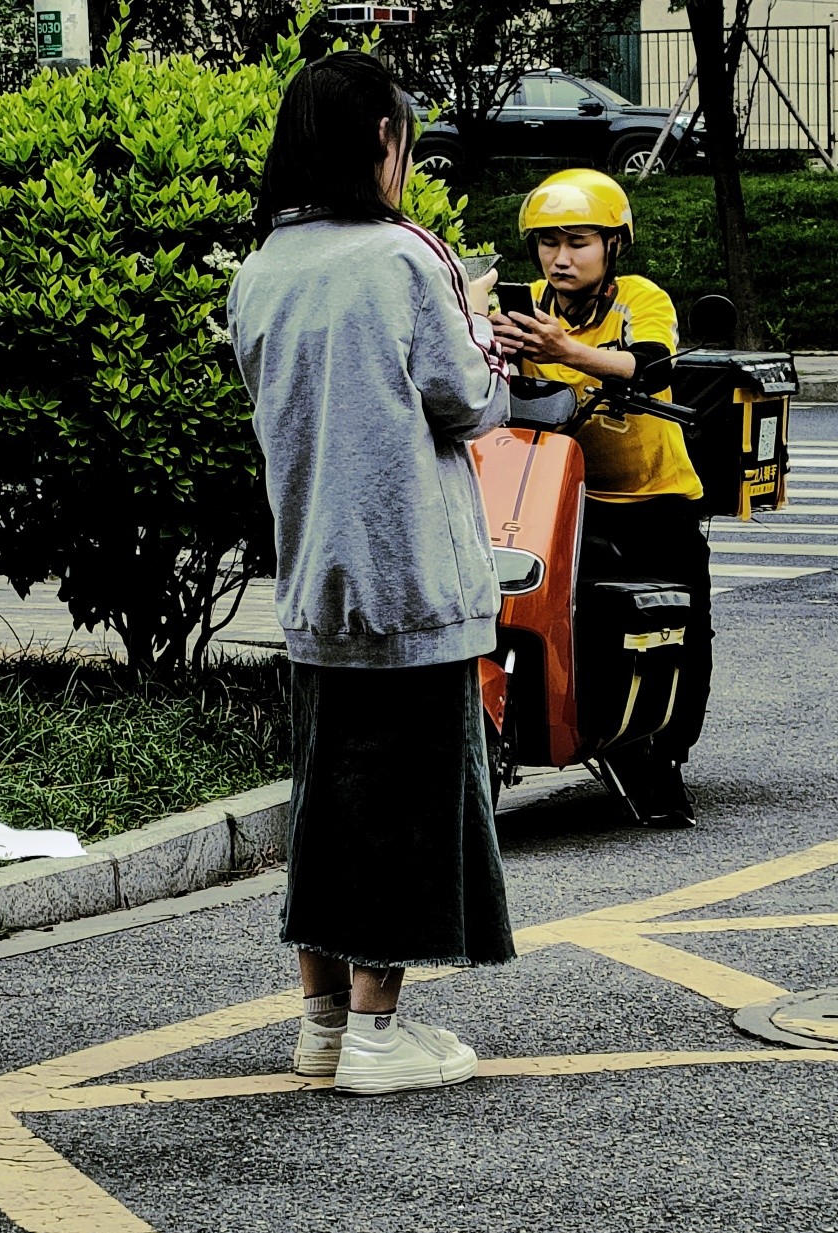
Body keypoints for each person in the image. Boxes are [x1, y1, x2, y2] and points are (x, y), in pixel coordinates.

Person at [227, 53, 515, 1096]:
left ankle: (320, 1026)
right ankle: (380, 1039)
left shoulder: (259, 269)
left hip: (314, 580)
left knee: (328, 803)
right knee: (400, 807)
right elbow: (471, 398)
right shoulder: (403, 258)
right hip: (410, 579)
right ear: (380, 143)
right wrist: (478, 318)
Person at [489, 167, 711, 829]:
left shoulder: (640, 298)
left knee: (680, 623)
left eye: (578, 242)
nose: (560, 257)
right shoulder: (523, 301)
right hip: (556, 493)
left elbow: (650, 363)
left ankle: (666, 754)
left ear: (612, 245)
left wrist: (567, 351)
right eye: (548, 243)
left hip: (653, 495)